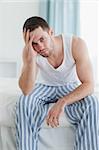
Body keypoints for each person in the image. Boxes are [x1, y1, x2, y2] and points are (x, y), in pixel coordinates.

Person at [15, 16, 99, 150]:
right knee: (24, 102)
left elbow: (89, 84)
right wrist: (30, 58)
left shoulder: (75, 44)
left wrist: (62, 102)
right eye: (34, 43)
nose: (40, 47)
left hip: (68, 86)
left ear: (51, 32)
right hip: (43, 87)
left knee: (93, 103)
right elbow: (26, 90)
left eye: (42, 39)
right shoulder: (30, 52)